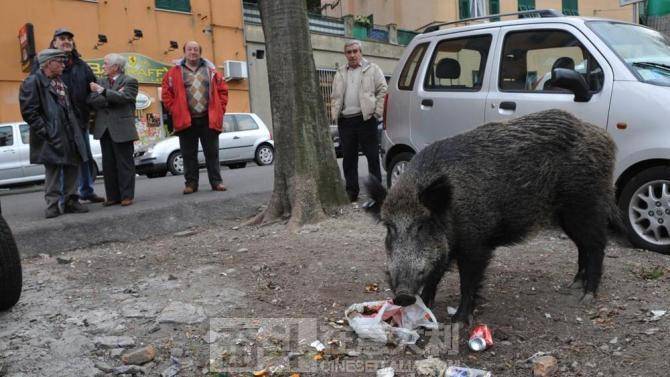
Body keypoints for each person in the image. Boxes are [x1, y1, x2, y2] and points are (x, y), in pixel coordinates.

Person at [37, 28, 105, 203]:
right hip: (56, 123)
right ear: (54, 43)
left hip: (79, 120)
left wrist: (94, 102)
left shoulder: (82, 66)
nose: (66, 41)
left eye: (69, 39)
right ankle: (62, 197)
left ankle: (86, 190)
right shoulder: (43, 64)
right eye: (62, 38)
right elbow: (37, 91)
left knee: (84, 157)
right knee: (61, 159)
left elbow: (92, 88)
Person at [19, 49, 90, 218]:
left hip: (69, 131)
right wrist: (46, 131)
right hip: (52, 133)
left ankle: (71, 201)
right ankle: (52, 204)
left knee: (73, 165)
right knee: (53, 169)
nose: (63, 64)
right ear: (49, 63)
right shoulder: (33, 81)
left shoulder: (60, 82)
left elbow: (68, 107)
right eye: (60, 61)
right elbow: (29, 111)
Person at [161, 41, 229, 194]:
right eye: (190, 49)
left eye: (196, 49)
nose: (193, 52)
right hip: (186, 120)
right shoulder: (173, 73)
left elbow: (223, 91)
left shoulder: (211, 71)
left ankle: (217, 182)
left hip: (208, 118)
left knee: (212, 153)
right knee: (188, 154)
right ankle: (191, 184)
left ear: (200, 52)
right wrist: (175, 110)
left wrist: (220, 109)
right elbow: (166, 94)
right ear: (184, 52)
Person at [331, 40, 387, 202]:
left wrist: (376, 113)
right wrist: (336, 112)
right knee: (348, 159)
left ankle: (377, 194)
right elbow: (335, 96)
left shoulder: (373, 69)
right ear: (345, 54)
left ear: (360, 52)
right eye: (349, 52)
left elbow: (383, 90)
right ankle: (351, 192)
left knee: (372, 157)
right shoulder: (340, 72)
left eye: (355, 51)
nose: (352, 55)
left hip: (366, 119)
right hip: (345, 121)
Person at [88, 54, 139, 207]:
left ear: (116, 66)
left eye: (105, 64)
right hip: (104, 129)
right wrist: (111, 95)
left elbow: (124, 98)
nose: (103, 66)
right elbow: (92, 100)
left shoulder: (130, 81)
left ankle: (126, 196)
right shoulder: (100, 81)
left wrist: (102, 92)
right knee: (108, 164)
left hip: (123, 129)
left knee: (125, 164)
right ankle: (112, 197)